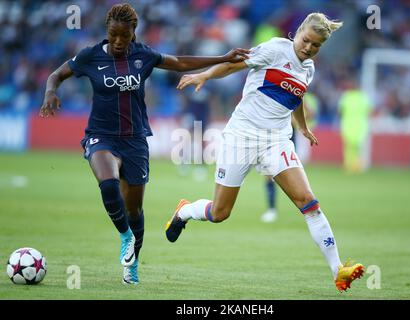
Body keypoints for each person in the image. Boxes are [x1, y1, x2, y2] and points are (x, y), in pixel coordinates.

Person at [39, 3, 249, 285]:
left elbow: (179, 62)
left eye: (123, 36)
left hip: (136, 141)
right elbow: (57, 74)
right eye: (113, 35)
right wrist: (50, 92)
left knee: (134, 210)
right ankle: (126, 237)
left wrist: (222, 56)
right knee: (108, 183)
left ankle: (131, 265)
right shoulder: (90, 56)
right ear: (107, 31)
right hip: (101, 135)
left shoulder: (143, 56)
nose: (117, 41)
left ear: (133, 33)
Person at [166, 12, 364, 292]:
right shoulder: (274, 49)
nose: (309, 48)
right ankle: (185, 211)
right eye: (307, 41)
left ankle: (338, 270)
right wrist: (206, 74)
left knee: (308, 201)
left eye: (316, 46)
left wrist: (303, 127)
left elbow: (296, 97)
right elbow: (234, 65)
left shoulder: (308, 68)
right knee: (220, 212)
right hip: (242, 136)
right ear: (298, 33)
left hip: (277, 141)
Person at [260, 93, 318, 223]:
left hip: (286, 140)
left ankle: (303, 206)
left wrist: (293, 120)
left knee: (291, 177)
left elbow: (310, 114)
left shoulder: (293, 93)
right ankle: (271, 209)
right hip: (269, 138)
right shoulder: (270, 93)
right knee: (269, 175)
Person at [337, 79, 371, 173]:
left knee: (348, 146)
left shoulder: (346, 96)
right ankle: (358, 165)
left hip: (347, 124)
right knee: (358, 146)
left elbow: (340, 111)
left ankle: (349, 165)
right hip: (360, 125)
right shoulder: (363, 97)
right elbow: (369, 111)